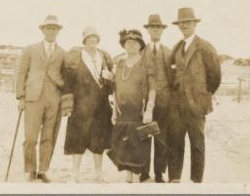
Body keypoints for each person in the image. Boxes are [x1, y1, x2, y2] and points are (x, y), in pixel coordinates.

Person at [167, 7, 221, 183]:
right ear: (178, 26)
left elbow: (215, 77)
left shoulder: (205, 46)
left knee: (197, 146)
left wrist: (202, 96)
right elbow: (170, 75)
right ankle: (174, 179)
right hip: (176, 107)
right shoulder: (176, 48)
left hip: (196, 106)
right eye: (181, 23)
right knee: (175, 144)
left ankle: (196, 182)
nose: (184, 26)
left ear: (194, 24)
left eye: (188, 22)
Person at [16, 15, 69, 183]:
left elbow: (66, 77)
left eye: (54, 28)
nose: (51, 31)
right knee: (30, 137)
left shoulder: (63, 53)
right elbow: (21, 74)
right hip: (33, 98)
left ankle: (42, 170)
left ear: (58, 31)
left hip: (54, 99)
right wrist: (21, 97)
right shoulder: (29, 49)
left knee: (49, 136)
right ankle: (30, 169)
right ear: (43, 30)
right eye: (48, 28)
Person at [63, 26, 114, 183]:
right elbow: (67, 82)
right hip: (80, 106)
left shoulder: (104, 56)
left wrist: (111, 78)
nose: (92, 40)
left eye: (95, 38)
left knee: (99, 141)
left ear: (98, 40)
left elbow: (111, 81)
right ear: (84, 40)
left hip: (101, 106)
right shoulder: (76, 56)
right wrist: (68, 105)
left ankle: (98, 173)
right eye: (89, 38)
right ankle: (75, 174)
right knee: (77, 140)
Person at [108, 29, 156, 183]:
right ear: (124, 46)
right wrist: (114, 112)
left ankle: (136, 180)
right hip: (122, 114)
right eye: (128, 43)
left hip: (139, 113)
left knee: (138, 149)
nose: (131, 46)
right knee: (124, 148)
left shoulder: (145, 63)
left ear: (140, 46)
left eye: (135, 43)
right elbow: (115, 90)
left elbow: (153, 88)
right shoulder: (120, 63)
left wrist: (149, 109)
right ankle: (128, 180)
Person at [140, 14, 172, 183]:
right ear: (148, 30)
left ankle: (159, 173)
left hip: (164, 103)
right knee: (144, 137)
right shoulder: (141, 51)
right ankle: (144, 173)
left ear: (162, 30)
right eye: (152, 27)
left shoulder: (169, 52)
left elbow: (174, 79)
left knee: (162, 138)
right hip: (144, 103)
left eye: (158, 27)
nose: (155, 30)